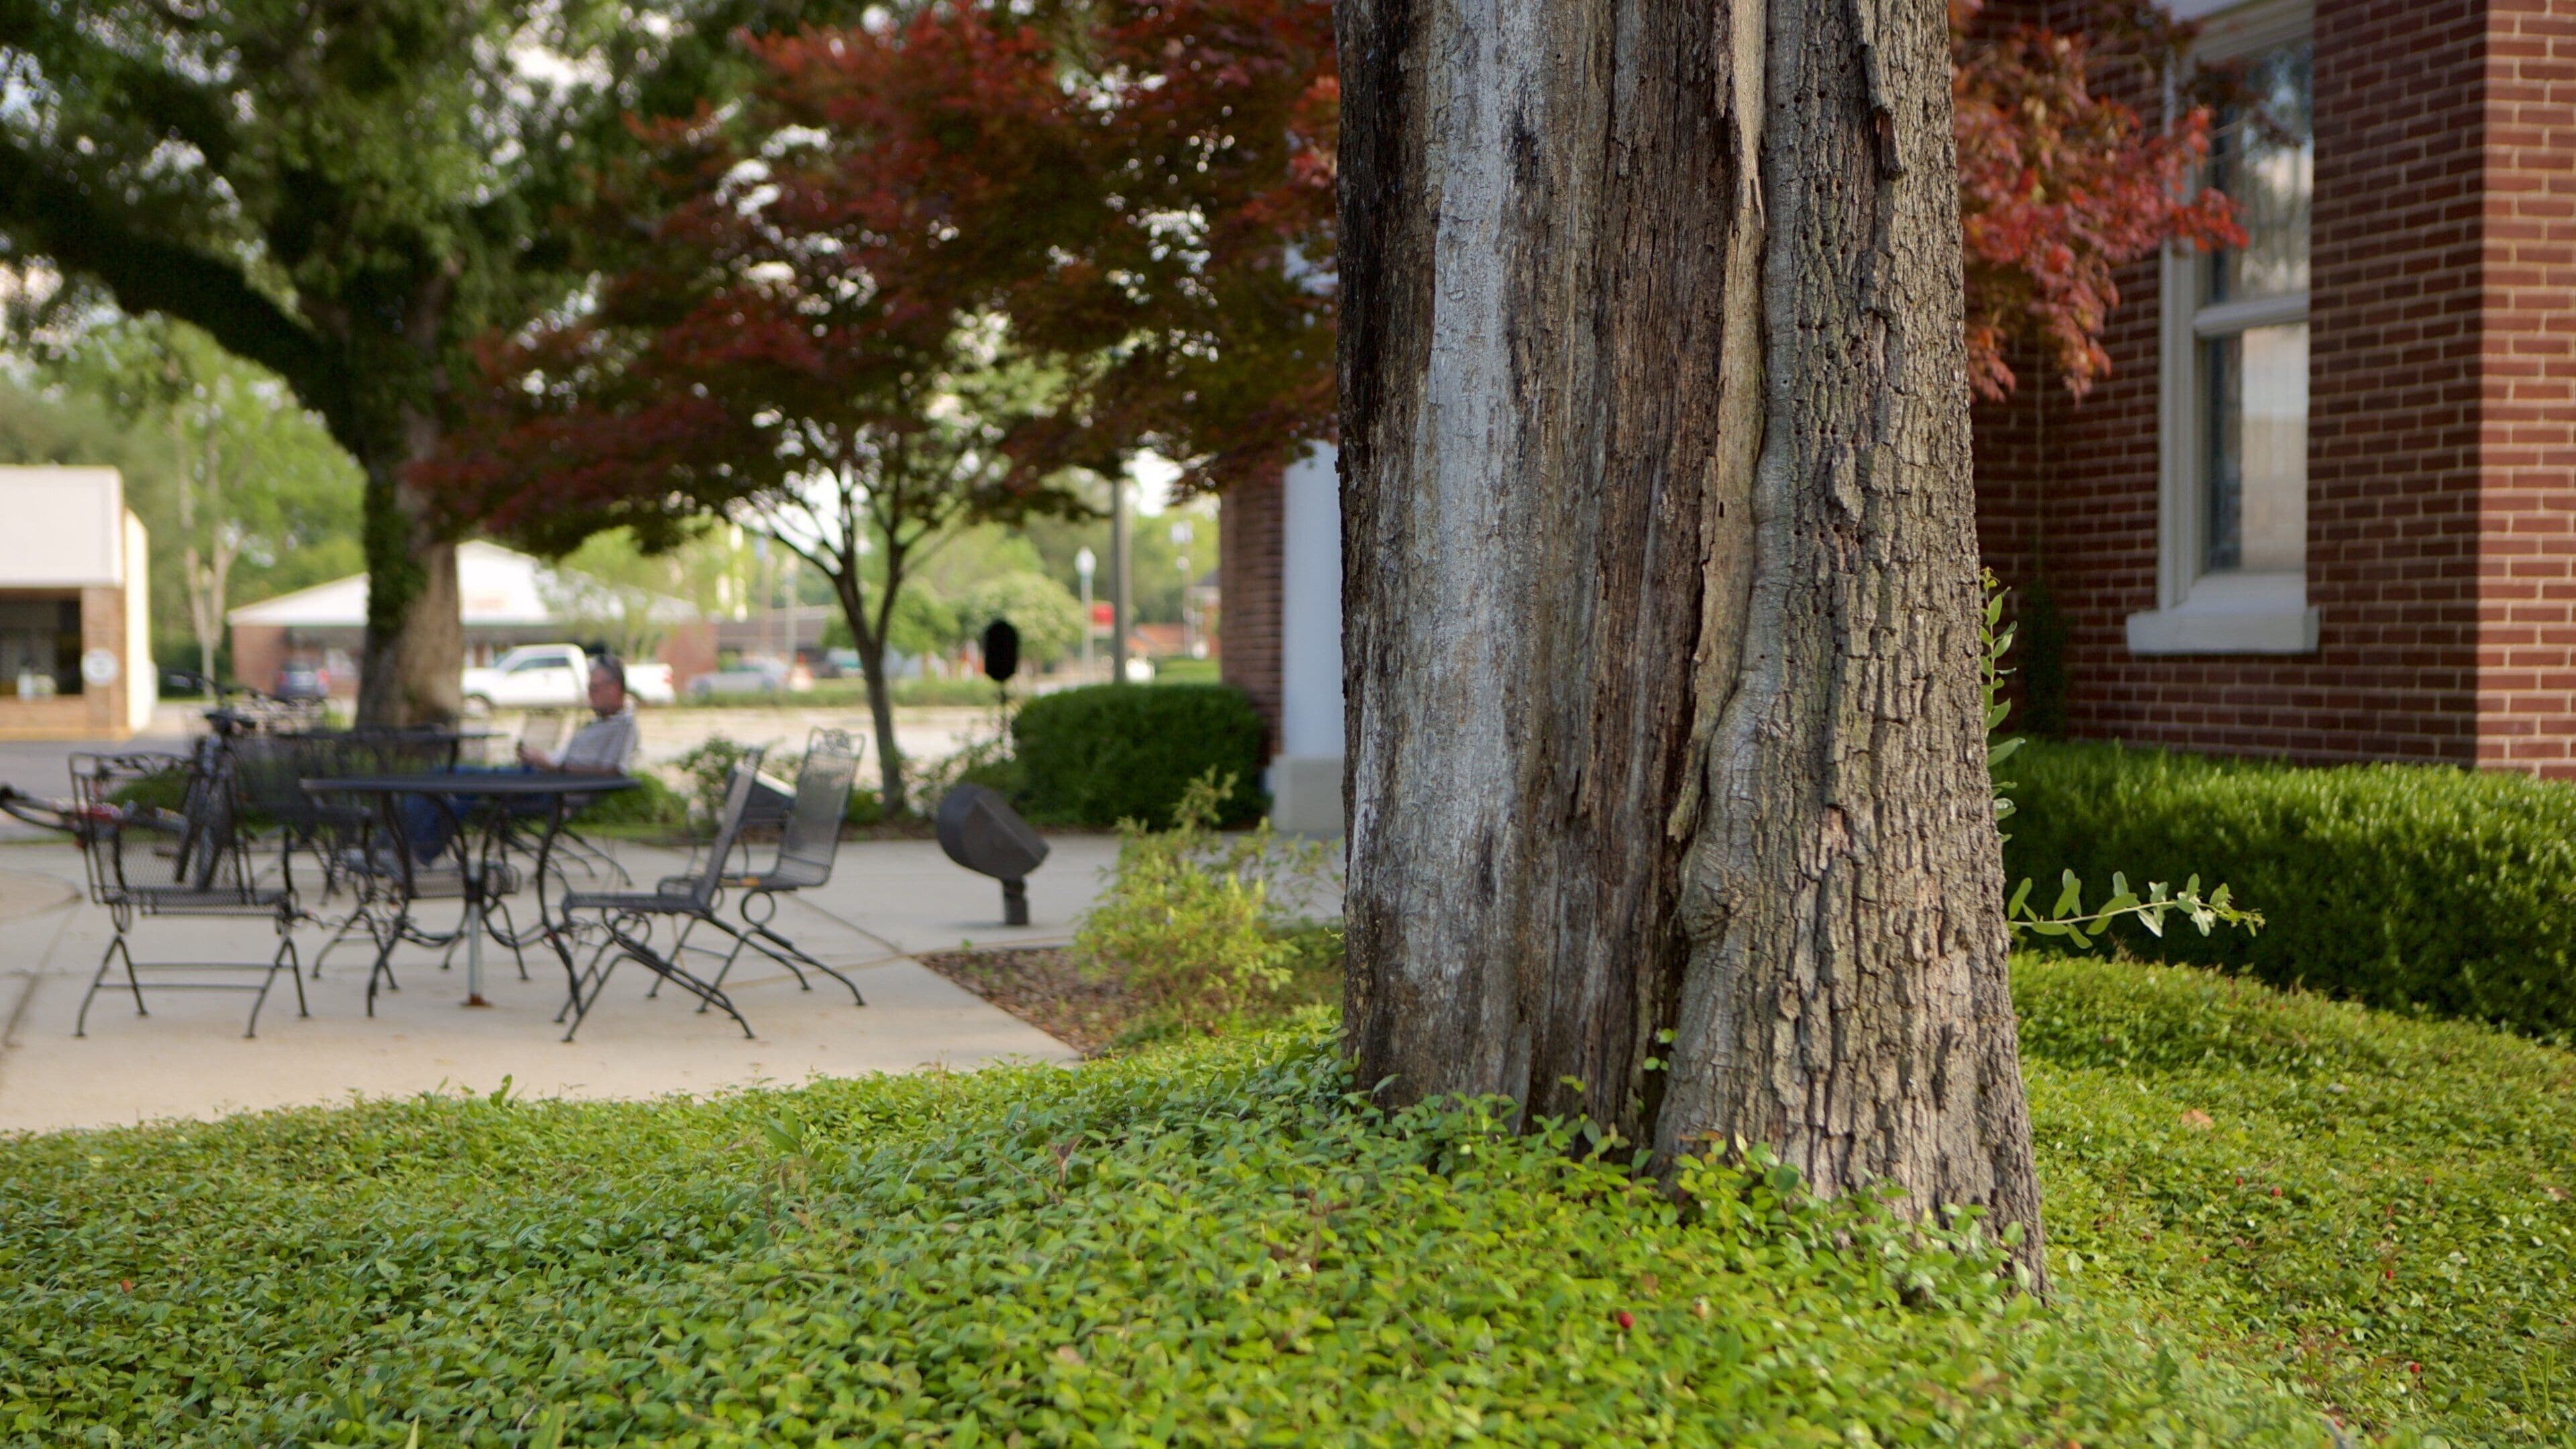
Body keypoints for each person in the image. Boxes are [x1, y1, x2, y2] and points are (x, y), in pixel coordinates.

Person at [406, 653, 640, 861]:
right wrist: (541, 759)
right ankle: (410, 848)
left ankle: (411, 850)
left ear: (614, 688)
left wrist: (554, 768)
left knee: (452, 781)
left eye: (594, 689)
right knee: (446, 782)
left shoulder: (624, 726)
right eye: (590, 689)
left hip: (549, 788)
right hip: (540, 777)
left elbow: (615, 771)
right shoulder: (601, 722)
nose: (590, 696)